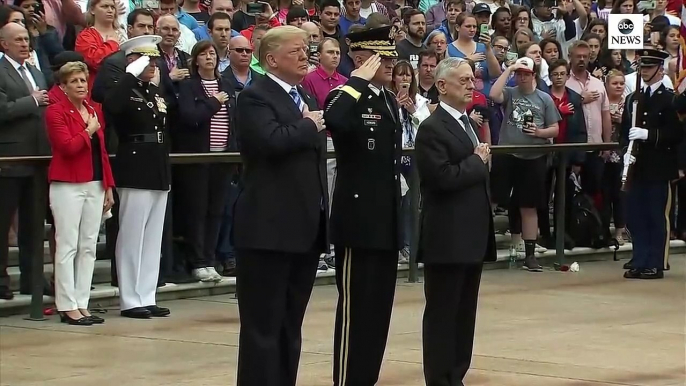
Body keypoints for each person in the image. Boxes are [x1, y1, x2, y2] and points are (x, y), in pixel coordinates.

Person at [233, 26, 327, 386]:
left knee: (291, 325)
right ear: (271, 59)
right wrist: (307, 124)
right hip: (267, 230)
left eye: (307, 49)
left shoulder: (300, 96)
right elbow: (270, 141)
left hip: (302, 229)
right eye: (296, 51)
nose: (306, 56)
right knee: (263, 327)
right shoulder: (255, 97)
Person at [323, 25, 402, 385]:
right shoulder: (345, 94)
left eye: (391, 56)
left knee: (378, 313)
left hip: (385, 218)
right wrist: (356, 81)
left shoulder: (387, 99)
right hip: (357, 220)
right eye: (382, 57)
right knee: (355, 312)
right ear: (361, 58)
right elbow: (334, 122)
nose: (391, 63)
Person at [415, 56, 496, 386]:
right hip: (447, 237)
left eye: (473, 79)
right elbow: (442, 177)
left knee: (464, 315)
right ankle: (440, 378)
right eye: (463, 80)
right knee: (443, 314)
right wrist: (478, 162)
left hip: (471, 234)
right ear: (442, 85)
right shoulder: (432, 128)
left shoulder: (468, 123)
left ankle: (457, 374)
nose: (471, 85)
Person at [104, 35, 172, 318]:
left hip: (157, 164)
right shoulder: (125, 89)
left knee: (153, 236)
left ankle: (147, 293)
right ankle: (130, 298)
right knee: (132, 235)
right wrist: (129, 76)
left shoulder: (152, 92)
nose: (153, 64)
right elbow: (113, 107)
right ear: (132, 61)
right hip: (135, 165)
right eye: (147, 59)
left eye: (155, 60)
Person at [45, 61, 115, 325]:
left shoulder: (93, 110)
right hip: (67, 183)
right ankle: (66, 304)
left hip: (94, 183)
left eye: (83, 81)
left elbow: (102, 152)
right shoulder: (56, 112)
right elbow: (67, 147)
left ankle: (82, 301)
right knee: (67, 245)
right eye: (74, 81)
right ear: (63, 86)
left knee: (88, 245)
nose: (80, 86)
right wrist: (88, 130)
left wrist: (108, 184)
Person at [489, 56, 560, 272]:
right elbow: (493, 94)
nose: (521, 77)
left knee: (529, 206)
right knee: (493, 198)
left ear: (533, 76)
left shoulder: (544, 99)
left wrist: (539, 132)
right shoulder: (510, 93)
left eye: (525, 74)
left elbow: (555, 129)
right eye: (519, 74)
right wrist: (509, 69)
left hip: (533, 157)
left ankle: (529, 255)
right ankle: (482, 245)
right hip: (508, 154)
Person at [175, 40, 236, 282]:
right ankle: (197, 261)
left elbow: (234, 120)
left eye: (213, 54)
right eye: (205, 54)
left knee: (216, 211)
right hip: (200, 157)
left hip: (223, 157)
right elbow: (190, 117)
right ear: (196, 60)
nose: (210, 57)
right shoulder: (190, 87)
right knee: (197, 210)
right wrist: (214, 102)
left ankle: (210, 260)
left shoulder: (227, 84)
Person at [621, 48, 682, 279]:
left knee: (656, 215)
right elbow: (624, 132)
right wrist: (625, 151)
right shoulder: (633, 98)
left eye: (648, 67)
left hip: (658, 167)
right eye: (642, 67)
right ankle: (639, 259)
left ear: (659, 69)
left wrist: (649, 134)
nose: (644, 71)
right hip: (637, 166)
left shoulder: (669, 100)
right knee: (636, 215)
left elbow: (676, 133)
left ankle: (656, 263)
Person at [0, 22, 50, 300]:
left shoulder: (36, 72)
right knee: (3, 221)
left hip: (38, 157)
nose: (24, 44)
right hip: (10, 157)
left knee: (33, 224)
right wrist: (30, 101)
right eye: (17, 39)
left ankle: (34, 279)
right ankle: (1, 280)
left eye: (26, 39)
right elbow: (1, 110)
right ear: (4, 44)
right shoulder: (0, 71)